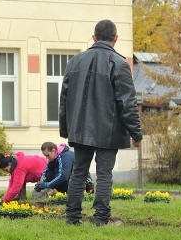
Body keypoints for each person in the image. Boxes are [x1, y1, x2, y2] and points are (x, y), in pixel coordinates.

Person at [59, 19, 142, 226]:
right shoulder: (120, 64)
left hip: (79, 129)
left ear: (94, 38)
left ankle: (72, 218)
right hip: (109, 130)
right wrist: (136, 133)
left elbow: (64, 98)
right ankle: (101, 219)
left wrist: (65, 129)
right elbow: (128, 103)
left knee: (78, 172)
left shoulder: (75, 61)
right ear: (115, 38)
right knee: (104, 174)